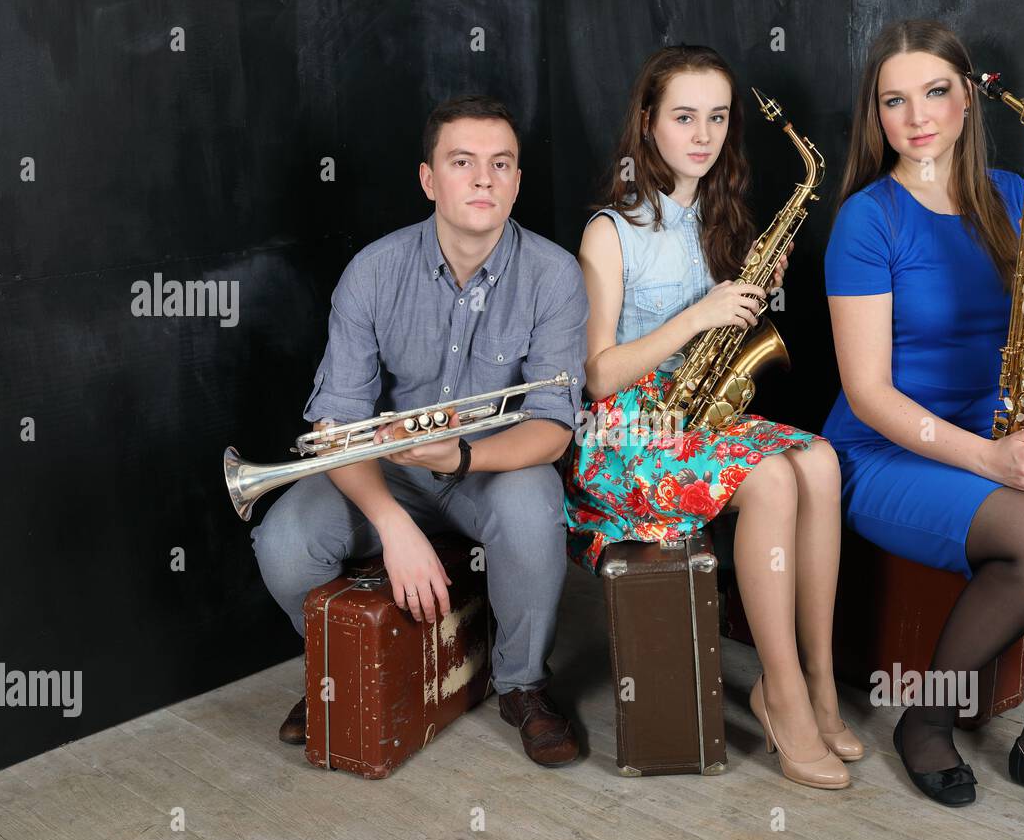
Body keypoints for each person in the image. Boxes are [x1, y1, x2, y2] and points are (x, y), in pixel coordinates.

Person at [824, 19, 1024, 825]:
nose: (917, 116)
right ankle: (928, 716)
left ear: (968, 99)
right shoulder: (867, 220)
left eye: (935, 91)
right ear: (877, 114)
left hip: (1000, 421)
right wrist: (990, 462)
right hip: (889, 446)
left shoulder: (1013, 196)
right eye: (893, 100)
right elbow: (868, 395)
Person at [251, 95, 588, 767]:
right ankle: (336, 671)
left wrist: (463, 455)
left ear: (518, 180)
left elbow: (553, 431)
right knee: (283, 541)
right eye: (463, 163)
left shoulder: (555, 276)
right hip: (390, 473)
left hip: (489, 465)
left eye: (501, 164)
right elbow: (337, 426)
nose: (484, 180)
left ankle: (521, 683)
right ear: (430, 179)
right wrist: (392, 523)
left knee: (535, 510)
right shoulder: (373, 272)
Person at [564, 45, 862, 790]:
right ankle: (782, 693)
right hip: (626, 432)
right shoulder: (610, 230)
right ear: (648, 122)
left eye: (718, 118)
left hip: (693, 416)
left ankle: (820, 682)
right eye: (684, 116)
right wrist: (701, 312)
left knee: (821, 461)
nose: (703, 134)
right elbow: (598, 371)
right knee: (767, 479)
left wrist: (750, 298)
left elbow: (722, 343)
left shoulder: (716, 218)